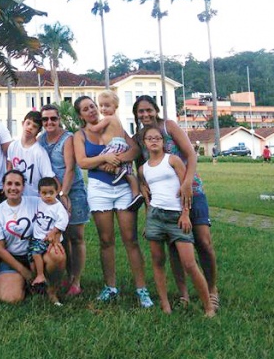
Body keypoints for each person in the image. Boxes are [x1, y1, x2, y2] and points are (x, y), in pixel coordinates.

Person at [133, 95, 219, 311]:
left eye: (148, 110)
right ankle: (183, 294)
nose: (145, 115)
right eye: (140, 112)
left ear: (156, 110)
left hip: (192, 192)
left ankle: (212, 290)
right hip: (165, 202)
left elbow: (190, 154)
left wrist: (188, 183)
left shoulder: (168, 126)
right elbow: (141, 167)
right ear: (136, 115)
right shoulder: (138, 137)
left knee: (204, 242)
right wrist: (143, 187)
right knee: (174, 247)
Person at [73, 96, 153, 308]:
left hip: (123, 188)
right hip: (100, 189)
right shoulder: (80, 135)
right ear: (80, 115)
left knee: (131, 239)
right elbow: (82, 161)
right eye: (86, 109)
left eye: (92, 106)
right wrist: (104, 159)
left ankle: (142, 289)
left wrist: (119, 160)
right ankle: (110, 287)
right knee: (106, 240)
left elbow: (134, 149)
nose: (91, 110)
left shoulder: (113, 124)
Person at [38, 104, 89, 296]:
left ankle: (76, 281)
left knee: (75, 237)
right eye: (45, 119)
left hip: (71, 192)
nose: (49, 122)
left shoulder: (68, 139)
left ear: (59, 119)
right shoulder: (40, 139)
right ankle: (65, 277)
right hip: (51, 195)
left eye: (53, 118)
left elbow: (69, 168)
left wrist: (63, 195)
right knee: (61, 237)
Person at [88, 90, 143, 209]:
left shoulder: (108, 119)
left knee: (99, 159)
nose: (103, 109)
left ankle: (117, 170)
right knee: (129, 172)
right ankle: (136, 194)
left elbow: (96, 128)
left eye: (107, 106)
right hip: (122, 145)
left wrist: (89, 126)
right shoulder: (117, 120)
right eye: (101, 106)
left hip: (114, 145)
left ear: (115, 107)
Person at [0, 170, 38, 304]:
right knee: (10, 298)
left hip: (36, 256)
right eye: (9, 183)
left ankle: (50, 286)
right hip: (12, 258)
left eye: (17, 184)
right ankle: (22, 281)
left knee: (56, 256)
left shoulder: (36, 203)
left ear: (23, 187)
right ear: (3, 186)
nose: (13, 188)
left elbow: (56, 208)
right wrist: (23, 270)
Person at [29, 177, 68, 305]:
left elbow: (63, 221)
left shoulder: (58, 207)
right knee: (33, 259)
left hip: (49, 240)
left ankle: (42, 277)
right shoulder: (38, 202)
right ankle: (38, 284)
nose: (47, 196)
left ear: (57, 192)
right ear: (39, 193)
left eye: (51, 193)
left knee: (35, 253)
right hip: (38, 238)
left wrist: (54, 232)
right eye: (44, 193)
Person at [6, 111, 55, 197]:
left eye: (34, 126)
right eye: (28, 123)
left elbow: (48, 178)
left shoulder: (40, 153)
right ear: (22, 123)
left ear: (38, 131)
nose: (30, 127)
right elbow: (9, 168)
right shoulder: (13, 146)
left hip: (34, 199)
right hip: (16, 197)